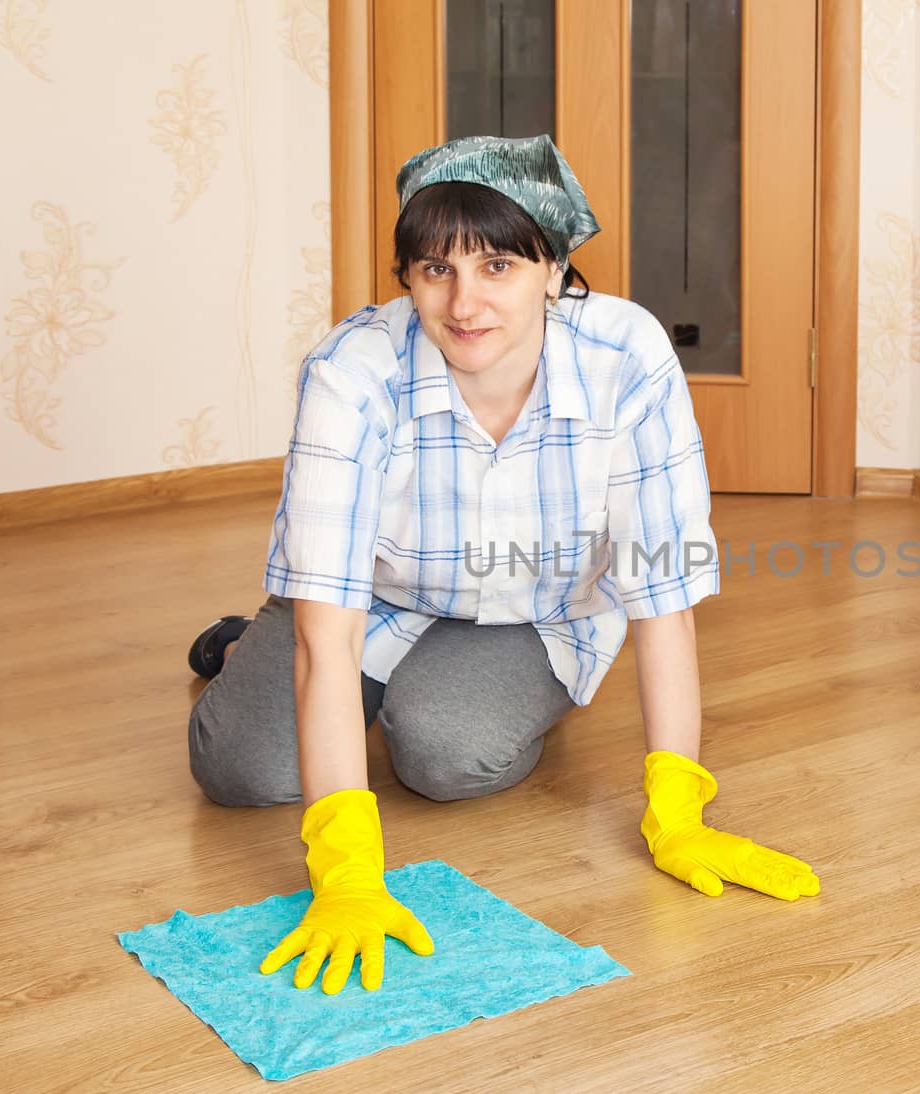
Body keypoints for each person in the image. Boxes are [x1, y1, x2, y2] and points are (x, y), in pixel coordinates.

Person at [184, 135, 820, 997]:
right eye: (434, 269)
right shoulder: (354, 372)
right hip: (376, 599)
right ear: (406, 278)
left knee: (447, 760)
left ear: (554, 269)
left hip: (539, 611)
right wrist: (345, 871)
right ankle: (239, 645)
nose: (464, 302)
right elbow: (326, 639)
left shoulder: (625, 358)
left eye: (498, 266)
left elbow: (660, 594)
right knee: (242, 772)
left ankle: (454, 690)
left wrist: (678, 808)